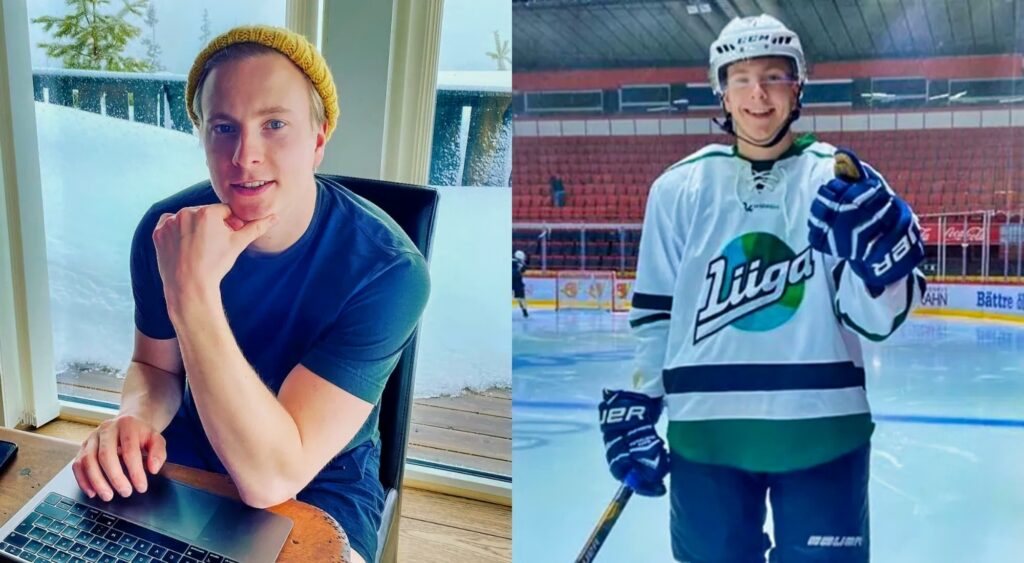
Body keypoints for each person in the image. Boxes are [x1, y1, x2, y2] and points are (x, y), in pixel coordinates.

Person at [70, 26, 430, 563]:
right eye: (223, 127)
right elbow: (157, 368)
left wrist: (193, 290)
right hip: (189, 454)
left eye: (275, 124)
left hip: (317, 479)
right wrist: (134, 419)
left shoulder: (388, 270)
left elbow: (271, 476)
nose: (245, 155)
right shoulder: (165, 231)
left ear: (318, 138)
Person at [597, 14, 926, 562]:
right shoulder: (677, 189)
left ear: (798, 86)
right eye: (740, 77)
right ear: (720, 92)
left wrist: (879, 270)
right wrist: (639, 396)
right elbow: (655, 317)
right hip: (707, 441)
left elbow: (876, 320)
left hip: (824, 438)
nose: (757, 93)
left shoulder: (842, 182)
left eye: (774, 76)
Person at [513, 249, 529, 317]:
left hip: (514, 280)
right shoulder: (521, 264)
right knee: (521, 297)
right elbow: (523, 270)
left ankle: (525, 311)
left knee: (521, 297)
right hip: (517, 281)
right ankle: (524, 312)